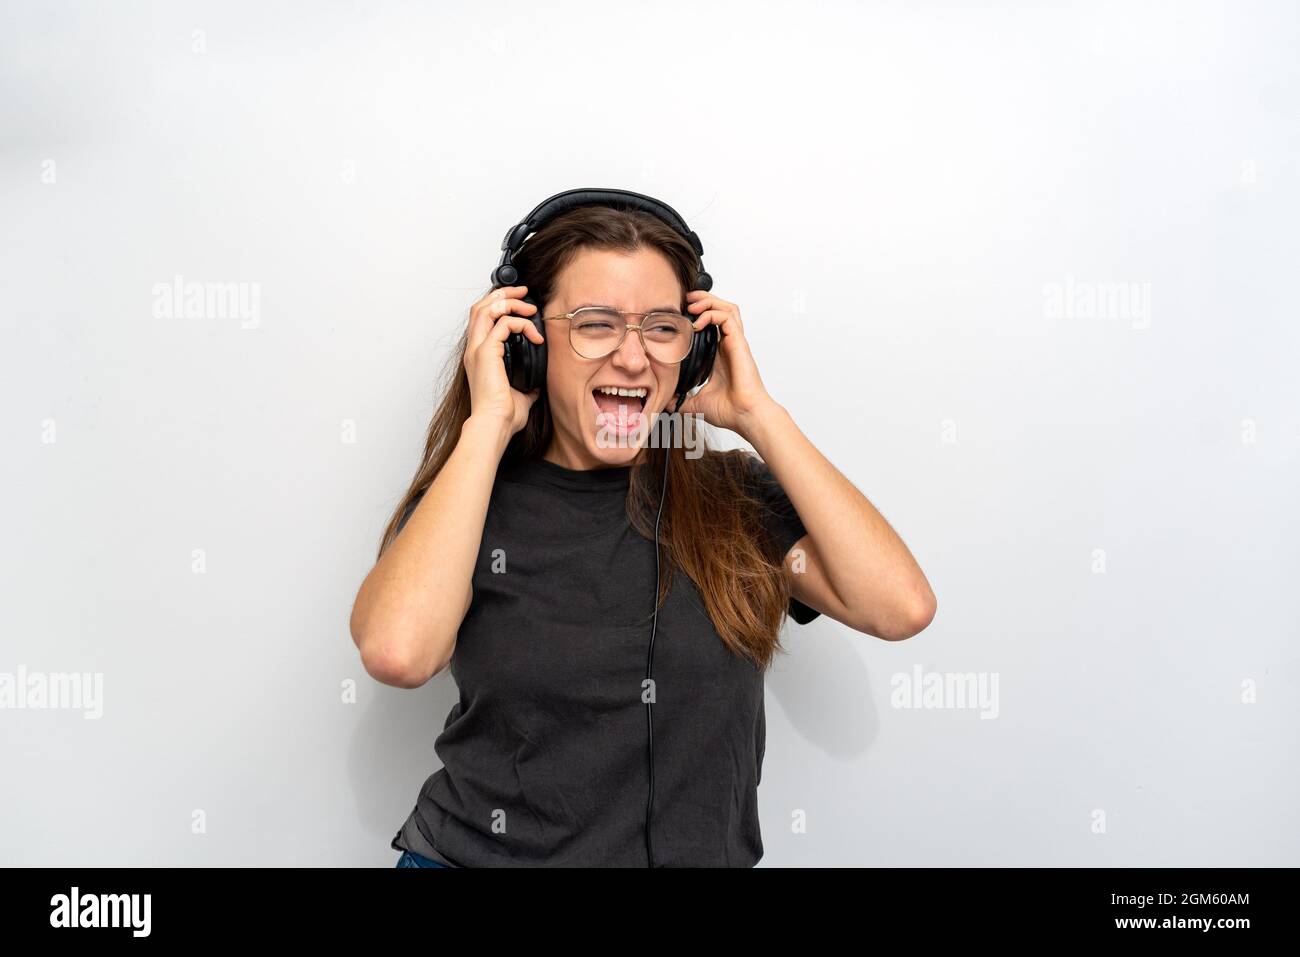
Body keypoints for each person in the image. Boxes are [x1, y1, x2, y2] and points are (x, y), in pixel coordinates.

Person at [349, 200, 937, 867]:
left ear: (696, 349)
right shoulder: (470, 497)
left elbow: (900, 607)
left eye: (662, 327)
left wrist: (758, 414)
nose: (633, 358)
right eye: (595, 324)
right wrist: (489, 423)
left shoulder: (733, 499)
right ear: (526, 341)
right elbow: (398, 653)